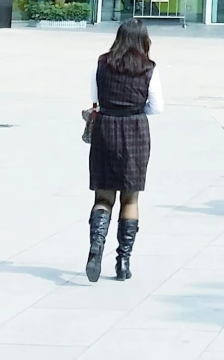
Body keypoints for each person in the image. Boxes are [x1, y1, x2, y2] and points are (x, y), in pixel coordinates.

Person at [85, 18, 164, 281]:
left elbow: (95, 99)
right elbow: (157, 107)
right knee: (130, 199)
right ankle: (123, 261)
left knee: (103, 198)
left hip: (105, 128)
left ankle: (96, 247)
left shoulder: (102, 63)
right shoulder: (149, 69)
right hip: (135, 131)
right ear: (144, 40)